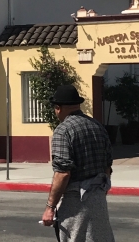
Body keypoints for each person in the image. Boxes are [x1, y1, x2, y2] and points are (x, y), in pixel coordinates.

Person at [40, 84, 115, 242]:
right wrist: (99, 193)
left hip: (75, 203)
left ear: (58, 108)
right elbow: (108, 166)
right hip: (99, 198)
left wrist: (50, 207)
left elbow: (63, 173)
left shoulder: (63, 130)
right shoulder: (98, 126)